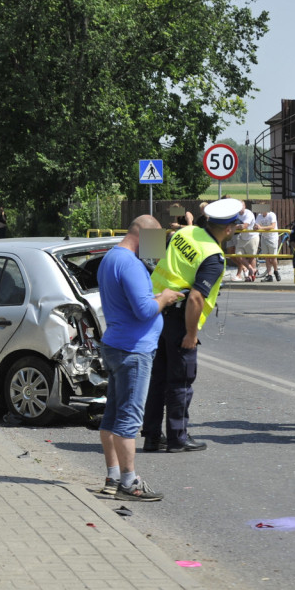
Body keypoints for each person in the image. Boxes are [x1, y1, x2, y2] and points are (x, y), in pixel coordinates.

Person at [96, 215, 185, 501]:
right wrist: (166, 297)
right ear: (144, 235)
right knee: (128, 419)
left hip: (116, 344)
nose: (157, 248)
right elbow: (144, 311)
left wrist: (153, 296)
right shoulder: (131, 264)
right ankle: (128, 483)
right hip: (133, 350)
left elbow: (130, 301)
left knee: (111, 416)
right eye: (156, 241)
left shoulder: (111, 257)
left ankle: (112, 477)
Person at [142, 198, 240, 454]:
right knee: (181, 380)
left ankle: (152, 436)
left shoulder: (184, 232)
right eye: (235, 226)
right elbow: (196, 297)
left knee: (157, 379)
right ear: (228, 229)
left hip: (157, 312)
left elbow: (154, 254)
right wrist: (191, 334)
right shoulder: (214, 256)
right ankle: (177, 437)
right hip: (178, 319)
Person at [233, 201, 258, 281]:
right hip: (242, 237)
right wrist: (237, 226)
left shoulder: (248, 214)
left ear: (245, 206)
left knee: (252, 257)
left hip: (252, 237)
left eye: (242, 206)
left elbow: (244, 226)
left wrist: (235, 226)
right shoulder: (236, 214)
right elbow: (232, 224)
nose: (240, 208)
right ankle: (251, 268)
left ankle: (251, 276)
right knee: (238, 255)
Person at [256, 207, 280, 281]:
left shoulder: (272, 215)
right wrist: (256, 227)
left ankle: (276, 271)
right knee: (266, 257)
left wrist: (261, 228)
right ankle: (270, 275)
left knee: (273, 258)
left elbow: (272, 226)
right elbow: (256, 225)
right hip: (264, 237)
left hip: (272, 238)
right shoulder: (259, 216)